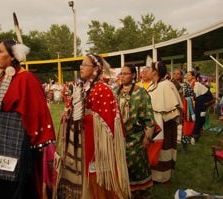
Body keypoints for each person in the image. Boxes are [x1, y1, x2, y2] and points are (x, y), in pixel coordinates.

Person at [0, 39, 56, 199]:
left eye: (0, 51)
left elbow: (38, 113)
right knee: (1, 185)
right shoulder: (4, 78)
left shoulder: (27, 79)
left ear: (13, 56)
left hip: (20, 147)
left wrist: (37, 146)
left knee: (18, 190)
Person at [56, 54, 130, 199]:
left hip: (97, 145)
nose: (81, 67)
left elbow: (108, 123)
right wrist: (68, 114)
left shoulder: (103, 89)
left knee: (96, 178)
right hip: (82, 142)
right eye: (81, 64)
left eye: (85, 65)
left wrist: (85, 117)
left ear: (96, 68)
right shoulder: (83, 87)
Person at [117, 65, 155, 199]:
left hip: (136, 139)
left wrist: (147, 137)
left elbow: (149, 116)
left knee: (137, 169)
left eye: (125, 73)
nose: (122, 76)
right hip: (118, 139)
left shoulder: (141, 93)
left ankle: (141, 194)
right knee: (120, 170)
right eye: (121, 73)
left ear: (133, 75)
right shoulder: (115, 92)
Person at [146, 61, 183, 183]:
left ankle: (163, 177)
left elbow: (173, 109)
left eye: (149, 70)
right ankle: (154, 175)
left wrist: (161, 118)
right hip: (155, 126)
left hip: (165, 127)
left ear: (155, 72)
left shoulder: (166, 85)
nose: (147, 72)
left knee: (164, 151)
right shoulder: (153, 85)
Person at [186, 71, 213, 142]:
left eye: (189, 75)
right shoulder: (190, 84)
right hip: (200, 99)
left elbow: (195, 97)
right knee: (201, 117)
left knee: (199, 116)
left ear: (193, 77)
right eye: (187, 75)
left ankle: (195, 135)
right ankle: (197, 132)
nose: (187, 76)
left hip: (205, 98)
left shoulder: (196, 84)